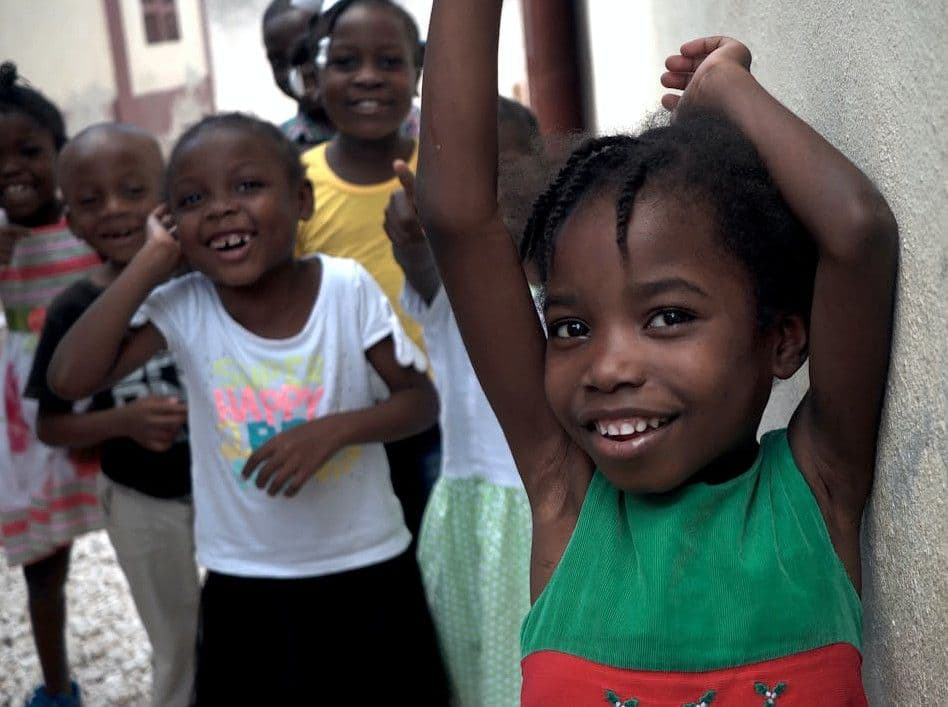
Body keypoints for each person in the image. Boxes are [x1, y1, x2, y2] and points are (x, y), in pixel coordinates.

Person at [417, 2, 899, 703]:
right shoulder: (568, 499)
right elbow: (458, 216)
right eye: (571, 328)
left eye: (668, 316)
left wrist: (723, 90)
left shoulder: (817, 494)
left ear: (784, 339)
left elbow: (856, 232)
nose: (609, 368)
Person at [46, 112, 449, 704]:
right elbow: (68, 377)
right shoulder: (183, 305)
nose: (220, 208)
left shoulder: (345, 287)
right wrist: (150, 265)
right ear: (172, 224)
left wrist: (335, 431)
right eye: (191, 199)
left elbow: (420, 402)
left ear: (303, 200)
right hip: (246, 579)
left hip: (367, 566)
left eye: (247, 186)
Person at [25, 123, 199, 707]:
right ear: (70, 220)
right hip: (144, 501)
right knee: (178, 642)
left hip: (234, 493)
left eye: (133, 190)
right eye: (91, 200)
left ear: (170, 194)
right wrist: (121, 423)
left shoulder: (209, 279)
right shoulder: (75, 306)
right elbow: (52, 423)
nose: (115, 210)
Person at [383, 95, 541, 706]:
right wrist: (414, 240)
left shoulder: (569, 278)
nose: (482, 194)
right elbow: (418, 262)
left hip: (544, 510)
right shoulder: (450, 281)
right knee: (471, 670)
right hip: (468, 510)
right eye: (458, 178)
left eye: (502, 170)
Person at [296, 0, 438, 543]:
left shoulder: (446, 170)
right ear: (315, 77)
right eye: (347, 62)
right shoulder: (298, 185)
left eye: (389, 61)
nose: (368, 78)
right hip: (342, 417)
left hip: (442, 412)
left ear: (418, 73)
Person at [0, 61, 102, 707]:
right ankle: (58, 686)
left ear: (61, 153)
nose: (14, 168)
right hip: (30, 416)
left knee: (151, 529)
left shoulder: (92, 223)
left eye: (31, 150)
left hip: (107, 392)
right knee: (46, 562)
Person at [262, 0, 334, 149]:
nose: (294, 73)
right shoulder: (275, 150)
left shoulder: (391, 132)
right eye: (279, 62)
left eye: (305, 54)